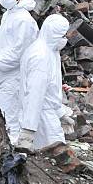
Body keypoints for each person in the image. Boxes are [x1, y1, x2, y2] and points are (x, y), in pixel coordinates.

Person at [0, 0, 39, 143]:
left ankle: (12, 155)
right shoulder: (9, 14)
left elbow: (19, 52)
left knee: (10, 117)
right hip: (4, 73)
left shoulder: (24, 20)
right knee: (4, 113)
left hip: (14, 76)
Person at [15, 14, 69, 152]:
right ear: (54, 34)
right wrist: (28, 130)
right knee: (57, 159)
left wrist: (60, 112)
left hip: (44, 113)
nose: (65, 39)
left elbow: (50, 88)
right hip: (41, 117)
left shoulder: (50, 50)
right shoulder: (41, 56)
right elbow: (34, 94)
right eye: (63, 35)